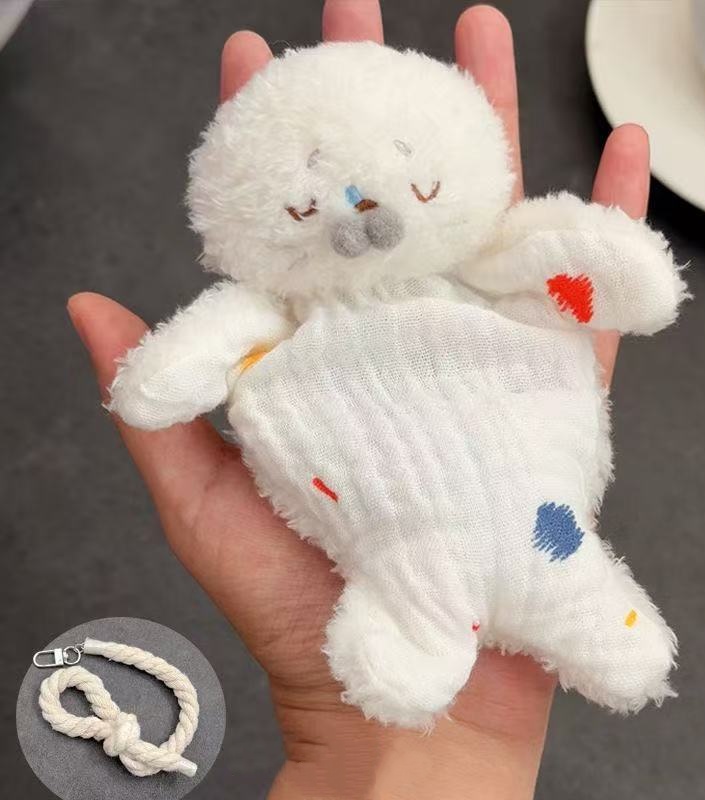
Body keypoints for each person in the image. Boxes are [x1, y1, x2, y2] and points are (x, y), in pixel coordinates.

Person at [67, 2, 652, 797]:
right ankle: (433, 622)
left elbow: (589, 268)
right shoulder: (278, 312)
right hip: (407, 541)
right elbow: (172, 374)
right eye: (308, 201)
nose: (364, 212)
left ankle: (567, 604)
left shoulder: (484, 263)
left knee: (547, 543)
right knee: (421, 576)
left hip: (540, 509)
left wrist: (619, 273)